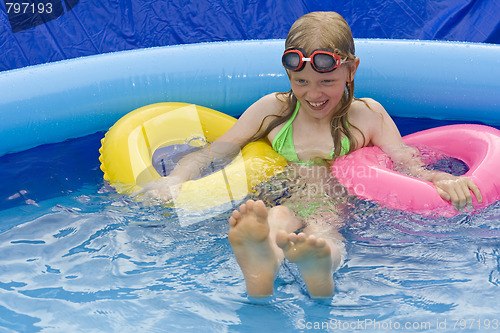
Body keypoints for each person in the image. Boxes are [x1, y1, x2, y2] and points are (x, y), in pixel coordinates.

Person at [137, 11, 483, 298]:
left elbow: (411, 166)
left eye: (327, 82)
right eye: (300, 82)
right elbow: (211, 154)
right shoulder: (273, 111)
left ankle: (318, 270)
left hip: (336, 204)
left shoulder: (368, 116)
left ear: (352, 69)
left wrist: (444, 180)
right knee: (274, 219)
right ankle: (261, 264)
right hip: (282, 194)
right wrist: (175, 180)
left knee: (323, 232)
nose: (313, 94)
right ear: (288, 74)